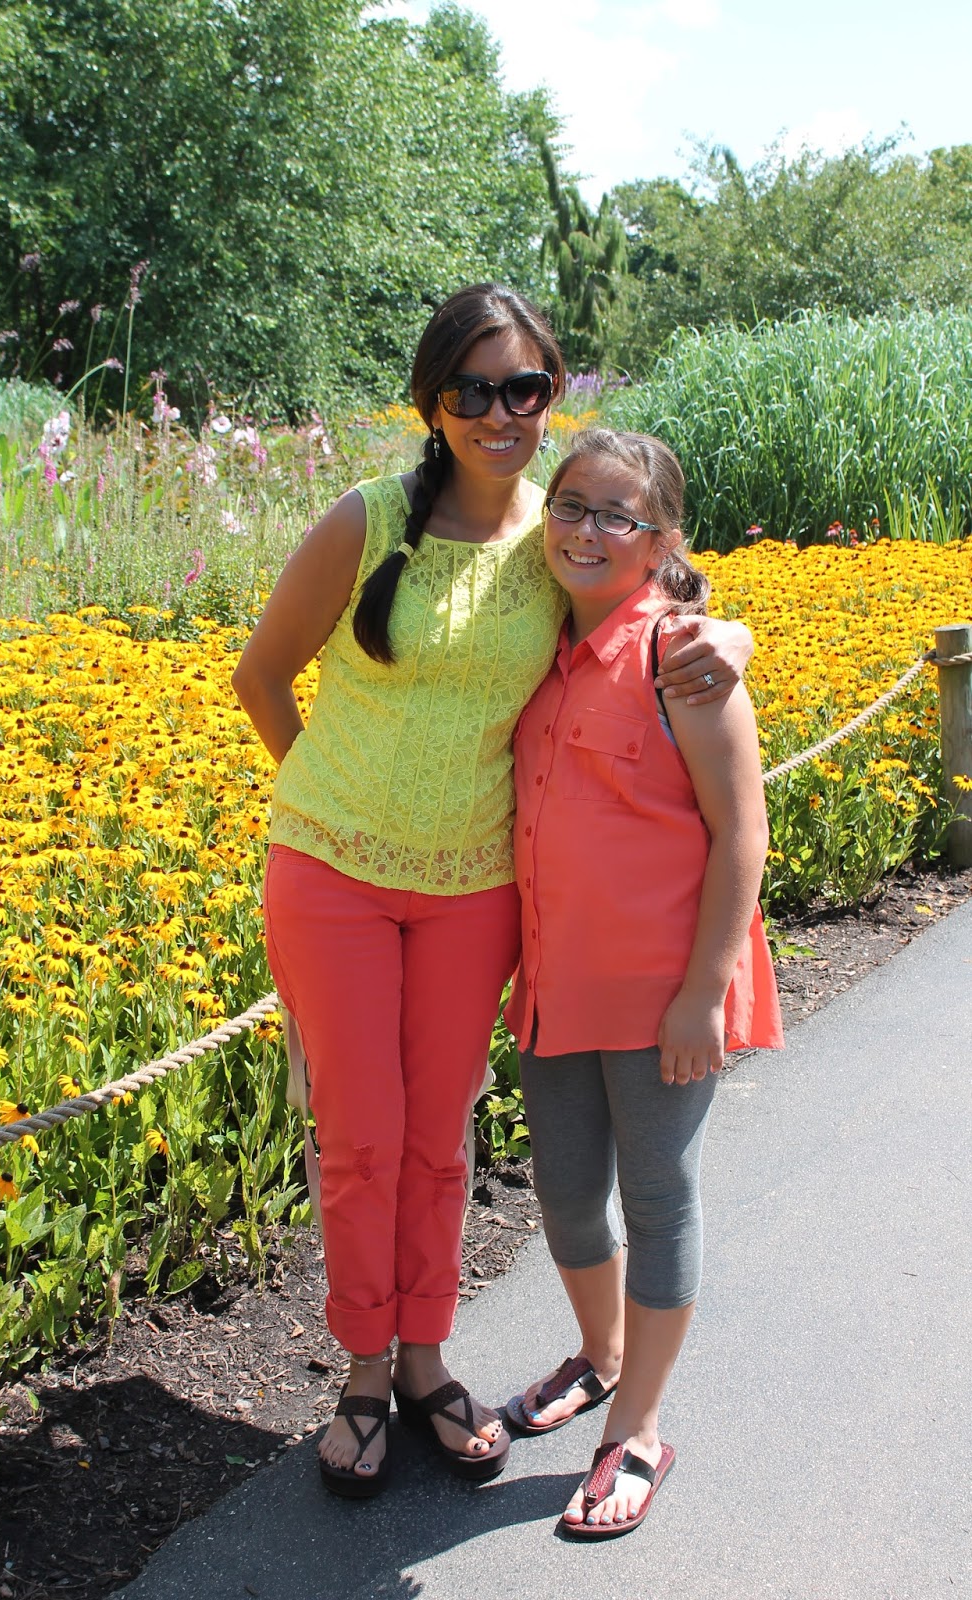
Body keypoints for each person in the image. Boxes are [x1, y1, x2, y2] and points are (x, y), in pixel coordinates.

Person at [231, 286, 754, 1500]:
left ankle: (424, 1358)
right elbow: (261, 677)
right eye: (472, 389)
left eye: (523, 387)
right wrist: (335, 803)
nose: (499, 412)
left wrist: (726, 634)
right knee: (360, 1133)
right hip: (334, 876)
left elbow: (649, 590)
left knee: (440, 1134)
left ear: (551, 393)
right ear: (432, 401)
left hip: (474, 893)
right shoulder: (367, 521)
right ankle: (364, 1373)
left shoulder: (551, 536)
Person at [502, 427, 783, 1537]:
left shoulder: (686, 660)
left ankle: (640, 1428)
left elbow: (743, 835)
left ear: (661, 539)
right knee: (567, 1192)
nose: (584, 529)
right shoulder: (532, 639)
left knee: (658, 1198)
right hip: (553, 983)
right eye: (569, 504)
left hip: (666, 990)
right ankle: (601, 1351)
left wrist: (704, 994)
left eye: (616, 515)